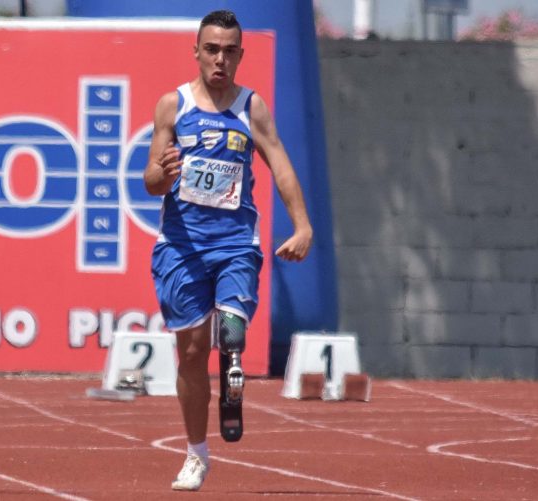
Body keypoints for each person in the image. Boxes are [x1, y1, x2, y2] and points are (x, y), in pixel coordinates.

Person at [144, 10, 313, 491]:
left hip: (236, 242)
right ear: (196, 52)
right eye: (212, 49)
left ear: (241, 54)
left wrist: (302, 226)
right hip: (182, 245)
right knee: (192, 351)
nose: (220, 59)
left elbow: (279, 163)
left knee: (233, 330)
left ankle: (233, 373)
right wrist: (166, 172)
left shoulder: (250, 107)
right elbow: (150, 181)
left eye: (229, 51)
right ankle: (197, 453)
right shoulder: (171, 107)